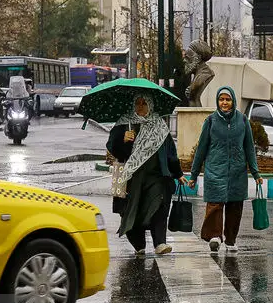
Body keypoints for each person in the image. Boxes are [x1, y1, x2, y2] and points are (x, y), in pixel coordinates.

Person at [107, 95, 187, 256]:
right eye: (137, 103)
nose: (141, 106)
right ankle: (139, 244)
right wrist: (123, 139)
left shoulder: (159, 125)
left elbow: (170, 152)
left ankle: (160, 243)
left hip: (157, 176)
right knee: (133, 210)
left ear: (150, 105)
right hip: (132, 178)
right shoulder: (124, 123)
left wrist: (178, 173)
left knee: (159, 207)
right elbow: (113, 148)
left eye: (144, 103)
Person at [188, 86, 263, 254]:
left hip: (237, 172)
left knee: (235, 207)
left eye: (227, 99)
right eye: (221, 99)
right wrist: (193, 175)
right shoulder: (211, 121)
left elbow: (249, 148)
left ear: (233, 101)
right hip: (215, 170)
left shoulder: (242, 121)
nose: (224, 102)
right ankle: (215, 236)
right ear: (217, 101)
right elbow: (201, 149)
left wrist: (256, 173)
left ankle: (230, 240)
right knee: (214, 204)